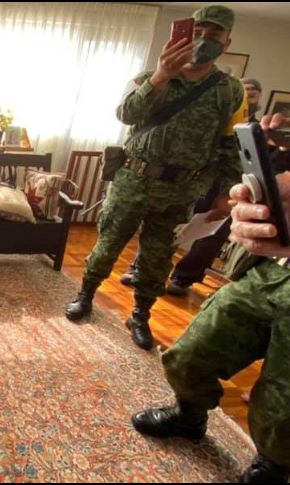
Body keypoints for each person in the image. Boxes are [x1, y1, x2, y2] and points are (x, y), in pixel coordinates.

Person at [65, 5, 248, 350]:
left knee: (158, 257)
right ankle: (85, 295)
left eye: (214, 35)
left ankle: (140, 315)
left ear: (227, 43)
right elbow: (125, 114)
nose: (204, 41)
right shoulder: (148, 77)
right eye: (198, 33)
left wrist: (226, 193)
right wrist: (162, 75)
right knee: (108, 244)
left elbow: (231, 146)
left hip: (181, 189)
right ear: (182, 36)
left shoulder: (230, 90)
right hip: (133, 181)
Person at [132, 112, 290, 484]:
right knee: (190, 354)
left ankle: (274, 464)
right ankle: (189, 417)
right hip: (273, 271)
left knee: (283, 404)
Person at [120, 78, 264, 296]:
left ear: (259, 99)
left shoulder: (257, 130)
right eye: (244, 94)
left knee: (211, 237)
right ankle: (140, 268)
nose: (247, 100)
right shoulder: (216, 117)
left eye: (252, 95)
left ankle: (183, 278)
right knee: (165, 226)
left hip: (230, 188)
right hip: (194, 181)